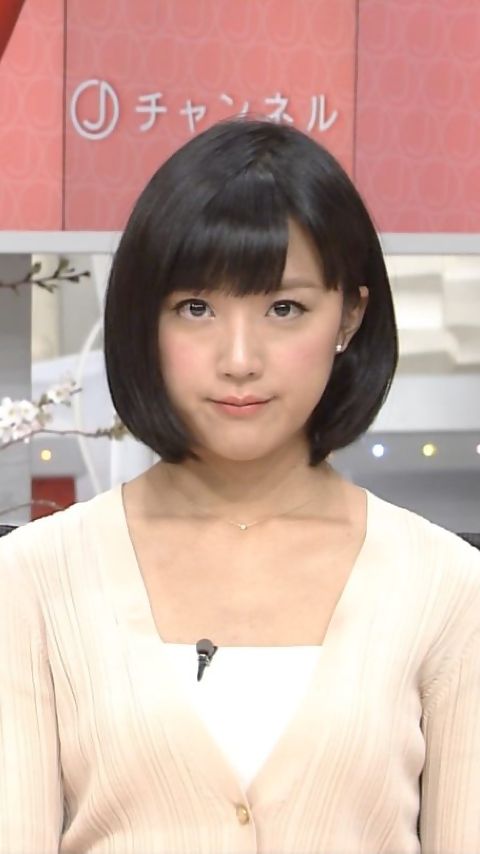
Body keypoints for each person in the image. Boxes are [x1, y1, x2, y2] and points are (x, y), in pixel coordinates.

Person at [1, 116, 480, 854]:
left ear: (350, 316)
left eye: (284, 309)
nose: (239, 359)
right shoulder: (33, 579)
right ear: (145, 320)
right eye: (196, 307)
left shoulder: (446, 585)